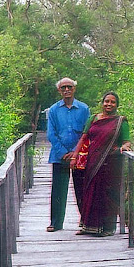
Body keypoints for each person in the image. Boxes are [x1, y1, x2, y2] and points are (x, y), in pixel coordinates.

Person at [70, 91, 131, 237]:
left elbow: (126, 141)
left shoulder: (121, 122)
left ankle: (107, 228)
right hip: (92, 162)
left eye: (112, 102)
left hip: (110, 164)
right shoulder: (93, 118)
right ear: (102, 103)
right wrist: (75, 156)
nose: (109, 104)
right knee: (88, 192)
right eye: (106, 101)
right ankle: (87, 226)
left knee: (106, 195)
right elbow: (84, 138)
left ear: (117, 105)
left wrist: (125, 147)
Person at [46, 77, 90, 232]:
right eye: (63, 87)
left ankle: (85, 221)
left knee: (82, 189)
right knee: (58, 190)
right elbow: (51, 134)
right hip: (59, 156)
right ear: (59, 90)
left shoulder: (84, 109)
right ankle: (55, 223)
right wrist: (64, 152)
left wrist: (75, 152)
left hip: (79, 156)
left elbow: (87, 132)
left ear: (74, 89)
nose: (66, 90)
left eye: (69, 87)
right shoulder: (53, 110)